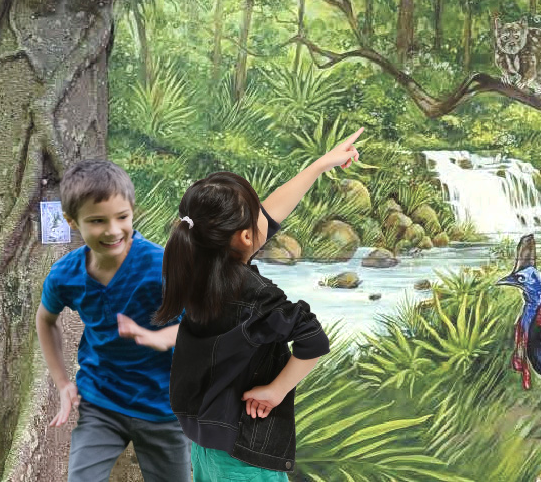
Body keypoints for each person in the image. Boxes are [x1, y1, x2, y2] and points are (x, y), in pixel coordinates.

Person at [121, 128, 363, 481]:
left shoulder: (193, 268)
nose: (266, 219)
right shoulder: (256, 294)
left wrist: (318, 167)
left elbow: (267, 215)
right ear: (246, 236)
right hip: (244, 450)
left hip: (207, 436)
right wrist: (276, 390)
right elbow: (313, 340)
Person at [36, 159, 189, 482]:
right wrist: (63, 383)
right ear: (71, 221)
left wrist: (161, 338)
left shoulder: (161, 266)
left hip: (162, 407)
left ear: (133, 210)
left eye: (122, 217)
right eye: (97, 220)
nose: (113, 230)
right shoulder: (65, 275)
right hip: (100, 403)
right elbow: (46, 321)